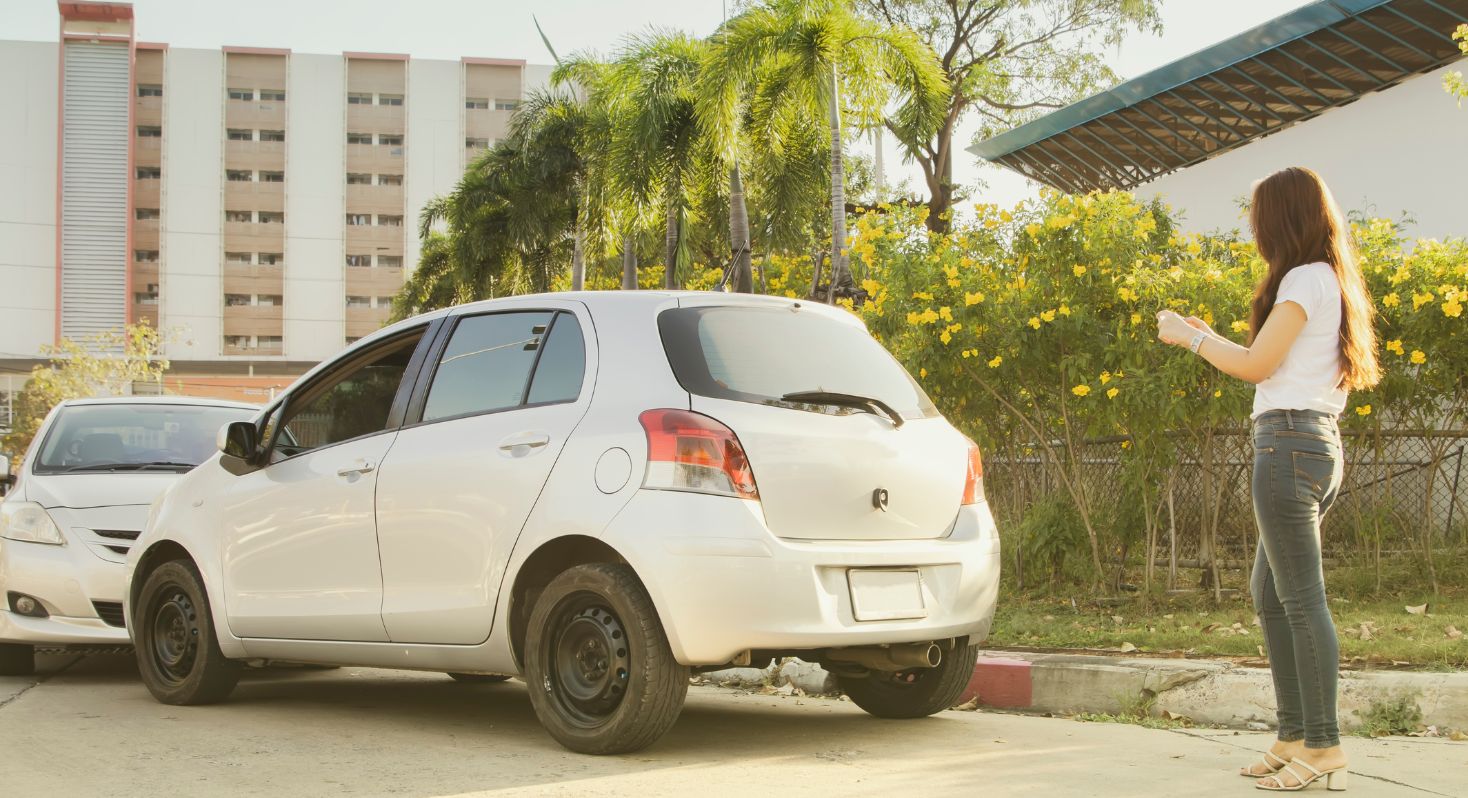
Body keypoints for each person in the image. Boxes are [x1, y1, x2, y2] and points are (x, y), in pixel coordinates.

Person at [1156, 166, 1379, 792]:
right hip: (1309, 443)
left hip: (1287, 447)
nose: (1254, 228)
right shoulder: (1327, 279)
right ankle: (1295, 734)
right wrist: (1208, 336)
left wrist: (1188, 341)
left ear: (1282, 219)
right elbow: (1277, 364)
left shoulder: (1305, 279)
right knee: (1270, 595)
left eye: (1258, 216)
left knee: (1301, 601)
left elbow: (1257, 367)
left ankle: (1324, 744)